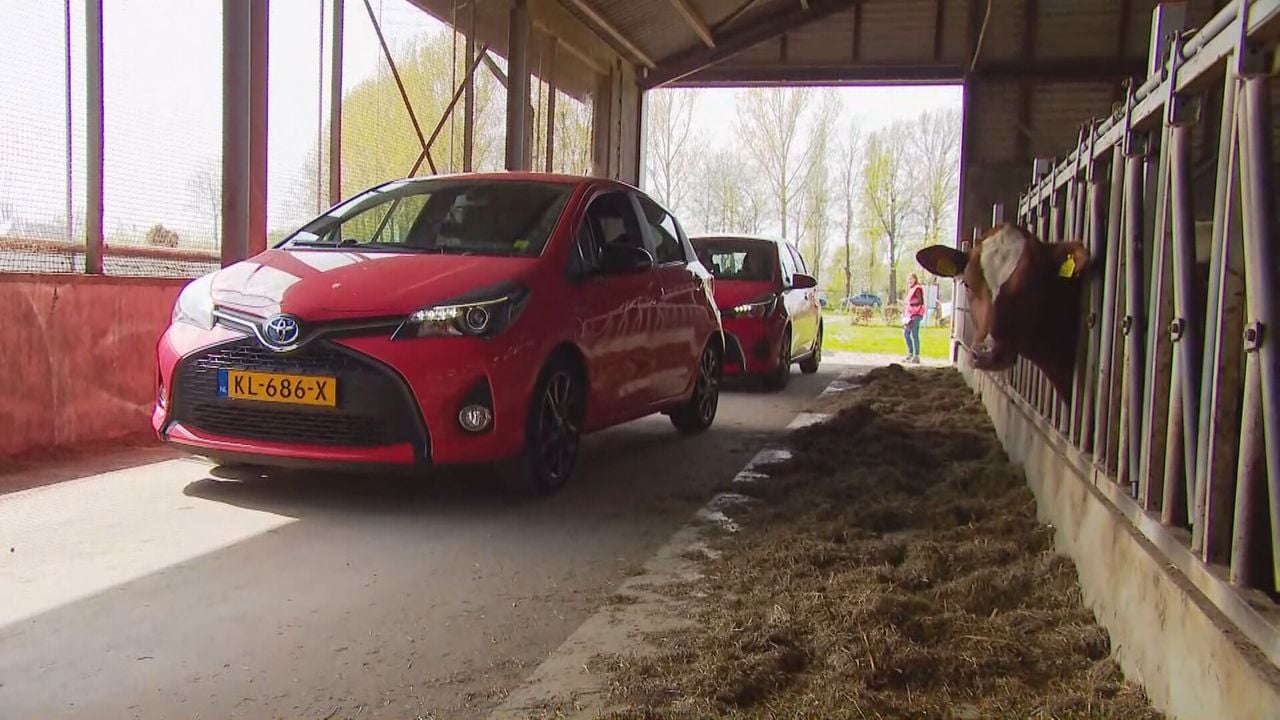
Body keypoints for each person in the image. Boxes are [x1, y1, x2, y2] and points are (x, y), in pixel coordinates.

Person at [902, 274, 926, 364]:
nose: (910, 281)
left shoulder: (917, 288)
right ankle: (910, 354)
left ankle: (916, 356)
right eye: (909, 279)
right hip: (909, 315)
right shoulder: (911, 289)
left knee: (914, 334)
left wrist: (911, 303)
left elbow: (920, 301)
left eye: (911, 279)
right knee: (906, 333)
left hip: (916, 314)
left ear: (915, 279)